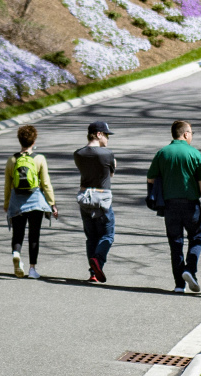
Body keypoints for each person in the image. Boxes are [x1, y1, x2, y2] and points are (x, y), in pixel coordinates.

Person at [147, 120, 201, 293]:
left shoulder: (162, 153)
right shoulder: (194, 153)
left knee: (175, 244)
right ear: (185, 134)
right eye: (191, 133)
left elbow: (151, 178)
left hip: (169, 206)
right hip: (191, 205)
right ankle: (190, 269)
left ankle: (179, 285)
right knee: (196, 238)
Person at [4, 125, 57, 279]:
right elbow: (46, 183)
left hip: (16, 201)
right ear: (34, 141)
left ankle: (16, 253)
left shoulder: (12, 160)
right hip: (36, 201)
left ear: (19, 140)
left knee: (18, 233)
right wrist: (52, 203)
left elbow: (8, 185)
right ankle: (32, 269)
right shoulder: (39, 159)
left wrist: (7, 203)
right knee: (34, 235)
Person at [74, 121, 116, 283]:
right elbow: (110, 174)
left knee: (91, 237)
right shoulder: (106, 154)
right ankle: (98, 260)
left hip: (85, 196)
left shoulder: (78, 154)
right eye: (106, 135)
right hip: (102, 197)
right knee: (107, 235)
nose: (107, 138)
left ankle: (93, 272)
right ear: (98, 134)